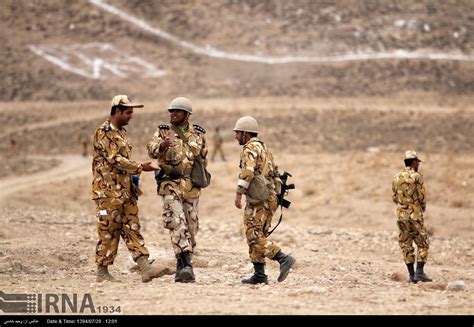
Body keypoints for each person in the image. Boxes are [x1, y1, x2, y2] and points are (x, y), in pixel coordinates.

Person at [92, 94, 169, 283]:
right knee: (108, 229)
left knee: (132, 226)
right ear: (117, 111)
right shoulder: (104, 132)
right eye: (128, 112)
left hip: (126, 191)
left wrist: (135, 177)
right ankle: (102, 271)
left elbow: (123, 161)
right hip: (108, 193)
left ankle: (145, 267)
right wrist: (141, 167)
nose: (131, 116)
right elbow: (115, 160)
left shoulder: (122, 133)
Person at [147, 97, 209, 283]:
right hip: (170, 184)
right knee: (176, 222)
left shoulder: (198, 135)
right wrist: (161, 146)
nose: (173, 114)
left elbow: (203, 159)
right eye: (171, 111)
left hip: (191, 186)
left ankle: (181, 266)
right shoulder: (163, 132)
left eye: (177, 111)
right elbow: (151, 149)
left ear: (187, 115)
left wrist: (199, 178)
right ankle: (186, 263)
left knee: (191, 225)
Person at [233, 116, 295, 284]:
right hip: (270, 199)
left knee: (253, 236)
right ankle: (259, 275)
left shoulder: (249, 148)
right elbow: (275, 172)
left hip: (258, 201)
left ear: (246, 134)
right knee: (260, 234)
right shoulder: (265, 148)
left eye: (238, 133)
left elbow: (247, 171)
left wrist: (239, 193)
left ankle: (283, 258)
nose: (236, 136)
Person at [392, 150, 432, 283]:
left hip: (401, 215)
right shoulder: (417, 176)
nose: (419, 164)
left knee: (405, 244)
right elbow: (422, 196)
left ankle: (411, 275)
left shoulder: (396, 177)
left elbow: (394, 198)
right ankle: (419, 272)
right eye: (418, 162)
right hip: (415, 215)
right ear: (414, 162)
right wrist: (421, 208)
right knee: (423, 243)